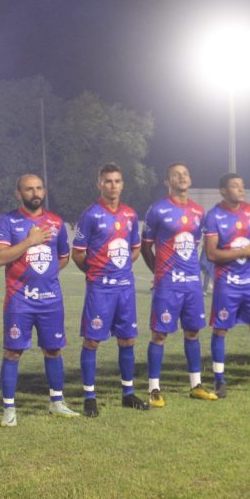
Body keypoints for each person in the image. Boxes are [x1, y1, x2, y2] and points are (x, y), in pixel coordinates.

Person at [0, 173, 80, 426]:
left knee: (53, 349)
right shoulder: (8, 221)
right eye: (29, 189)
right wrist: (30, 241)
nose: (35, 193)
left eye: (39, 188)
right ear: (18, 193)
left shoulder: (55, 222)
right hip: (19, 300)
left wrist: (47, 276)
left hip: (50, 300)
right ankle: (9, 408)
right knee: (12, 352)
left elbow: (62, 257)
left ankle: (57, 402)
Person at [73, 164, 149, 414]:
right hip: (100, 289)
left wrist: (122, 267)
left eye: (117, 181)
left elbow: (135, 247)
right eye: (107, 181)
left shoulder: (129, 214)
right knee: (92, 341)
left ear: (122, 184)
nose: (112, 185)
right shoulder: (91, 215)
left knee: (128, 339)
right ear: (99, 184)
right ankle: (89, 396)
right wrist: (96, 273)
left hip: (125, 288)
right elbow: (78, 253)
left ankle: (128, 393)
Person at [142, 162, 218, 406]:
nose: (181, 177)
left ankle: (195, 385)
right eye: (175, 174)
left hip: (192, 284)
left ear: (190, 179)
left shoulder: (198, 211)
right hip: (167, 284)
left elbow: (196, 245)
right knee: (160, 334)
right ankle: (154, 388)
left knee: (193, 332)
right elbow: (146, 246)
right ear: (168, 182)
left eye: (185, 173)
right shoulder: (158, 209)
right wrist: (159, 272)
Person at [204, 173, 250, 396]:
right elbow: (212, 254)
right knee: (221, 329)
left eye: (242, 186)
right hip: (227, 284)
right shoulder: (214, 215)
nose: (241, 189)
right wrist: (242, 251)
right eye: (235, 186)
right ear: (223, 191)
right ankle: (219, 380)